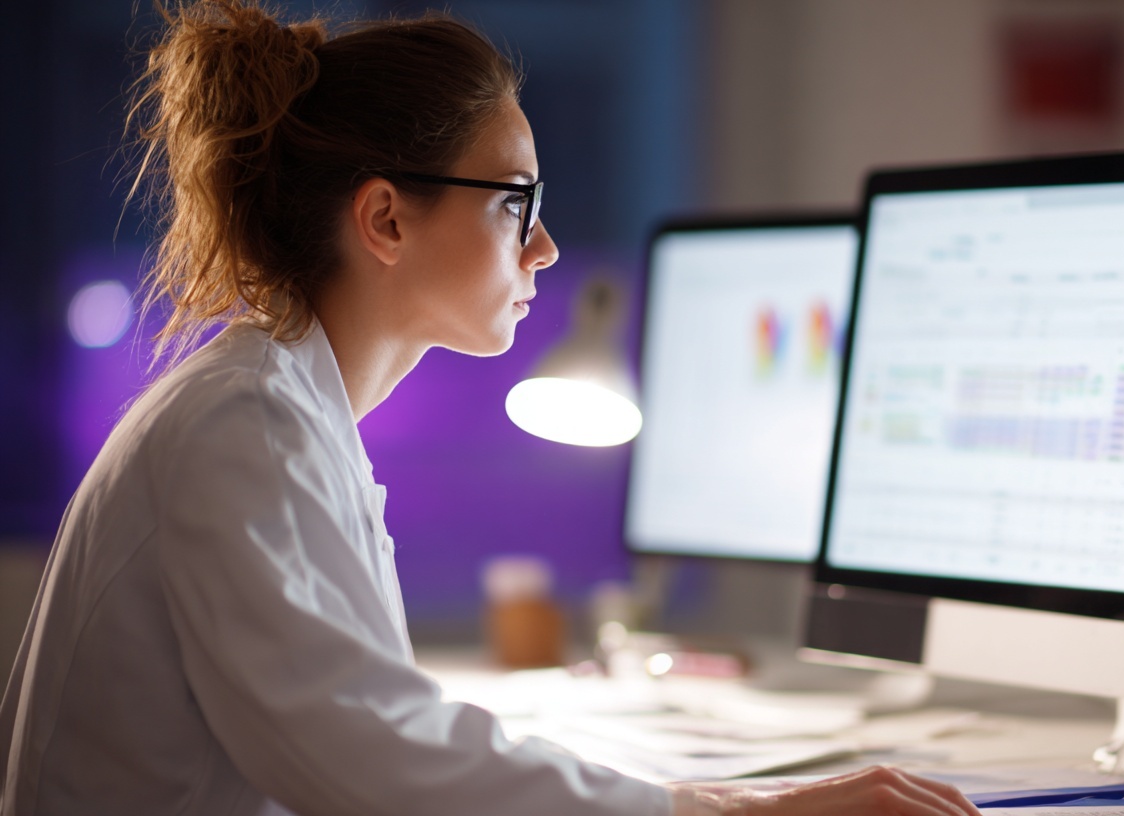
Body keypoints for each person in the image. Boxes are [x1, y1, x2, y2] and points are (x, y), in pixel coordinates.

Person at [0, 3, 980, 815]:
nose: (545, 246)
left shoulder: (285, 411)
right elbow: (367, 755)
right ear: (385, 218)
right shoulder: (244, 425)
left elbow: (366, 730)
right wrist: (725, 811)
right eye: (515, 200)